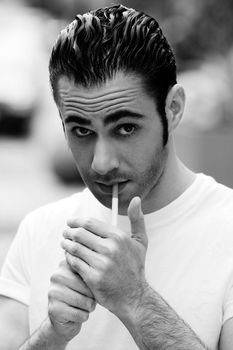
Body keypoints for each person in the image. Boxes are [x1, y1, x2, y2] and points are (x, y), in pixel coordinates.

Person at [0, 4, 233, 350]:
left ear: (173, 109)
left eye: (125, 128)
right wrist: (52, 333)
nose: (101, 163)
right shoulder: (39, 231)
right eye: (81, 130)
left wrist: (136, 301)